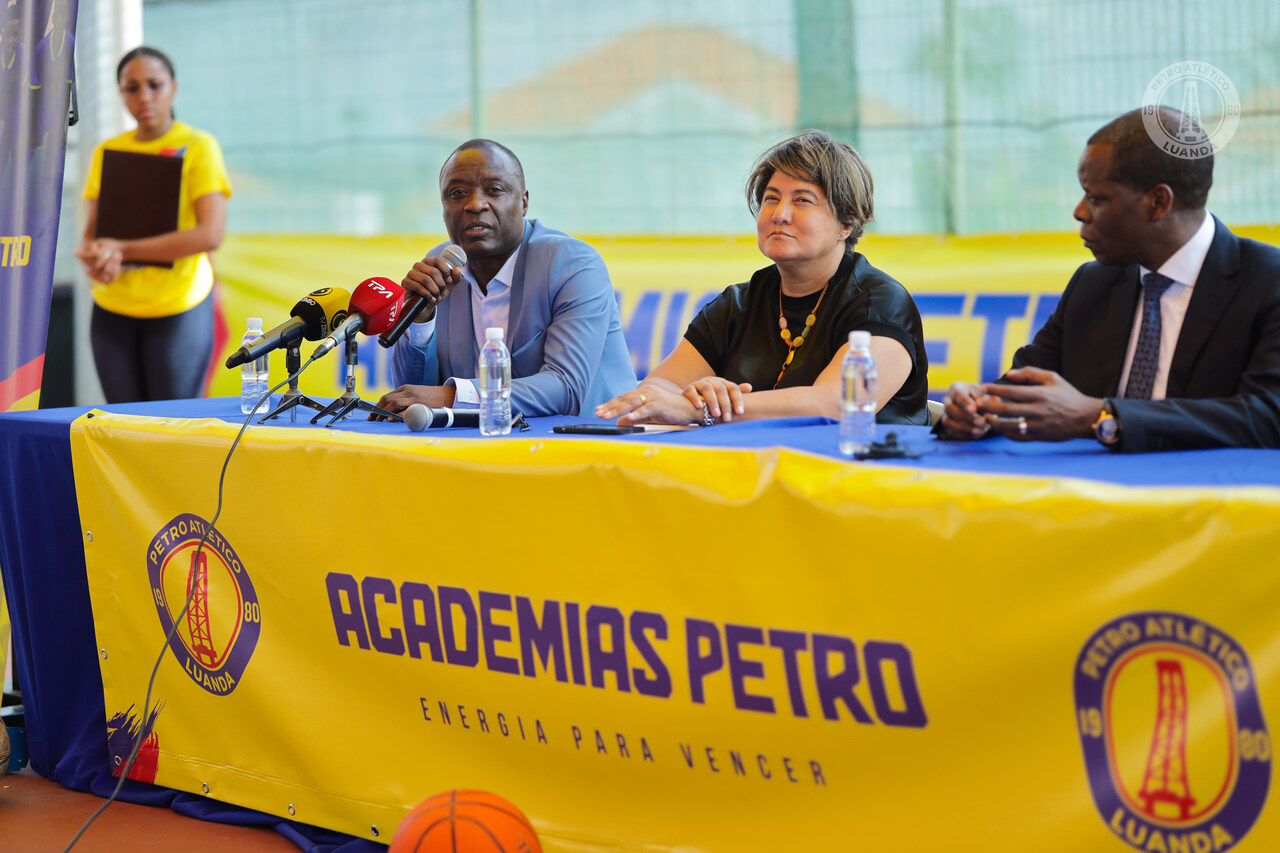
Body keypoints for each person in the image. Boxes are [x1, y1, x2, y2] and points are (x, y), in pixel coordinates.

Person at [940, 107, 1280, 451]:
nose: (1079, 212)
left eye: (1096, 198)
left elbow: (1268, 416)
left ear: (1158, 202)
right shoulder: (1092, 284)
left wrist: (1102, 417)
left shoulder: (1268, 282)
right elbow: (1024, 388)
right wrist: (977, 408)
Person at [596, 129, 928, 427]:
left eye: (802, 200)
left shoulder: (880, 302)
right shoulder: (737, 305)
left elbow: (837, 406)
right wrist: (698, 395)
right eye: (771, 198)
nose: (780, 214)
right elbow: (657, 388)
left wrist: (705, 410)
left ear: (847, 224)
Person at [376, 139, 635, 418]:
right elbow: (413, 396)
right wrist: (421, 321)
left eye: (494, 190)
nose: (475, 204)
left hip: (594, 437)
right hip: (485, 438)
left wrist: (452, 395)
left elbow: (566, 388)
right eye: (458, 193)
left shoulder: (573, 264)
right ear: (443, 209)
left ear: (524, 203)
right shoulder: (443, 266)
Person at [74, 46, 232, 403]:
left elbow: (210, 234)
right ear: (121, 94)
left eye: (155, 85)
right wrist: (97, 258)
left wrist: (123, 249)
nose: (144, 96)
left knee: (174, 426)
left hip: (179, 308)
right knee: (124, 425)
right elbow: (93, 232)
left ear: (173, 88)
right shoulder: (107, 151)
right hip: (112, 310)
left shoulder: (198, 146)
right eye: (132, 88)